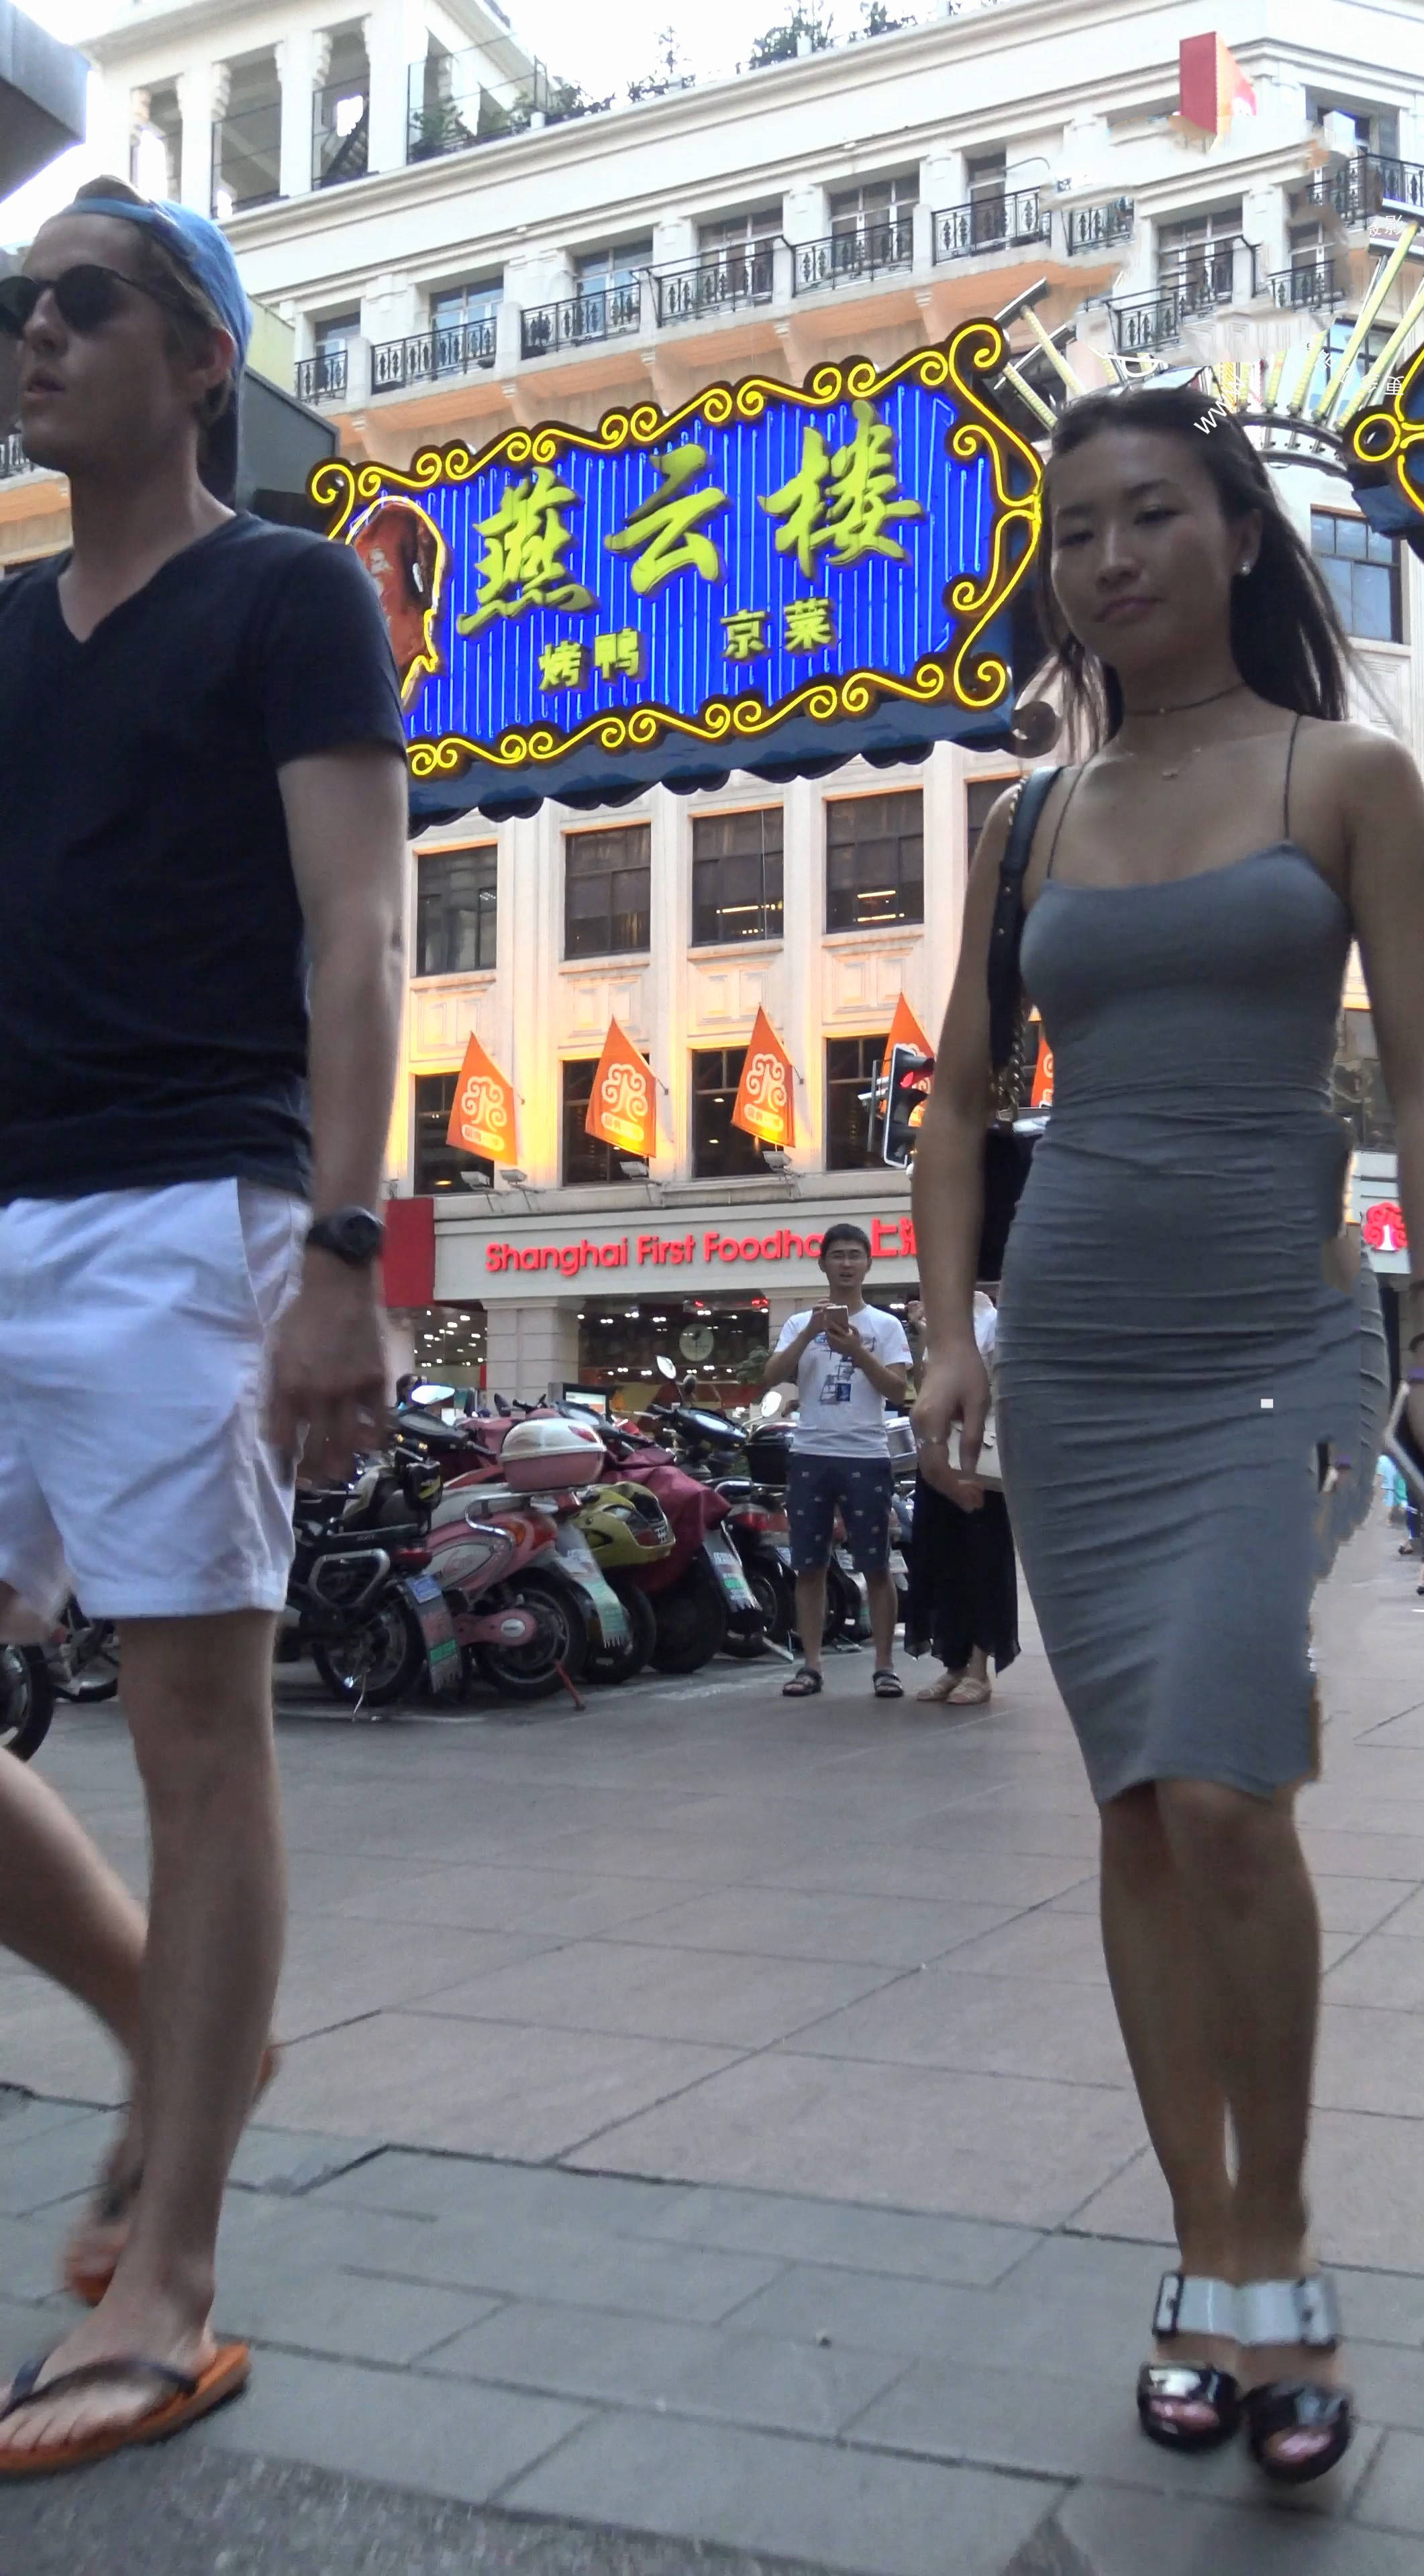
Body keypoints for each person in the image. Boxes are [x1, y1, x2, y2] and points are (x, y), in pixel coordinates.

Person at [912, 383, 1424, 2489]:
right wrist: (949, 1335)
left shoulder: (1350, 777)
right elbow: (959, 1100)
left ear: (1236, 532)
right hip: (1077, 1358)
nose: (1111, 557)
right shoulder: (1030, 822)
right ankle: (1204, 2250)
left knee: (1228, 1787)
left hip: (1278, 1344)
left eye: (1150, 514)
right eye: (1076, 532)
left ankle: (1285, 2245)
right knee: (1140, 1808)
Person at [0, 178, 407, 2471]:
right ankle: (184, 2027)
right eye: (15, 305)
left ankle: (168, 2283)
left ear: (200, 359)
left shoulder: (288, 595)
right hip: (3, 1205)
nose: (34, 336)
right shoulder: (1, 635)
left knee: (192, 1740)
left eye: (84, 301)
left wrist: (345, 1251)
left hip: (194, 1211)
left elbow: (360, 935)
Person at [762, 1223, 911, 1697]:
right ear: (822, 1263)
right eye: (838, 1255)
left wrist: (857, 1352)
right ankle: (811, 1666)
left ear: (868, 1264)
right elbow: (771, 1377)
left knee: (876, 1565)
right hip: (810, 1453)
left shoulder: (886, 1326)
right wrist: (810, 1332)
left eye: (854, 1255)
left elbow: (897, 1391)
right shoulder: (797, 1324)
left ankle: (884, 1666)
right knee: (809, 1566)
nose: (846, 1264)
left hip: (866, 1455)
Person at [908, 1293, 1019, 1707]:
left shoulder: (994, 1320)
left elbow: (995, 1387)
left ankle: (978, 1667)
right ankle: (953, 1663)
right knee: (941, 1557)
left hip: (977, 1452)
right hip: (937, 1452)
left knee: (981, 1559)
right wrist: (924, 1336)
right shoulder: (939, 1320)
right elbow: (923, 1389)